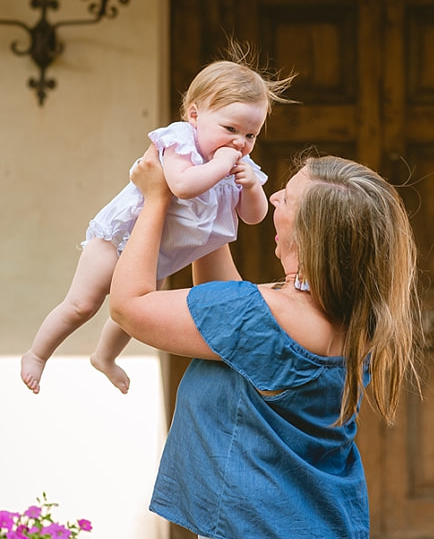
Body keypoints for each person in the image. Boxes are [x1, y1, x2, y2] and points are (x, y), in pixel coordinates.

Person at [109, 145, 424, 539]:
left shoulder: (263, 315)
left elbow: (128, 307)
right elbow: (223, 307)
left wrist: (157, 198)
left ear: (310, 234)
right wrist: (209, 205)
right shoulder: (358, 315)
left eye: (288, 199)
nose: (274, 197)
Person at [20, 49, 292, 394]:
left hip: (158, 255)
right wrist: (221, 166)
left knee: (136, 312)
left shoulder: (238, 163)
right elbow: (182, 185)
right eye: (230, 128)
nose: (239, 142)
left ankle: (104, 357)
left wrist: (251, 186)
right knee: (82, 304)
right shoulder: (180, 143)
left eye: (251, 135)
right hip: (119, 243)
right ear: (195, 115)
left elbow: (253, 218)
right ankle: (37, 354)